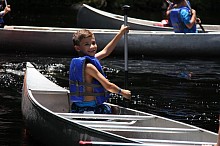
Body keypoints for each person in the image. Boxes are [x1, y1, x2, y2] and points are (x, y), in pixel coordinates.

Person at [69, 25, 131, 114]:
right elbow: (108, 86)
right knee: (113, 110)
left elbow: (106, 52)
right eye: (87, 44)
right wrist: (123, 92)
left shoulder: (83, 62)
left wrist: (120, 33)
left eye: (93, 43)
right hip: (91, 108)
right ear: (78, 48)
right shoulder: (89, 67)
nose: (92, 47)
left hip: (77, 107)